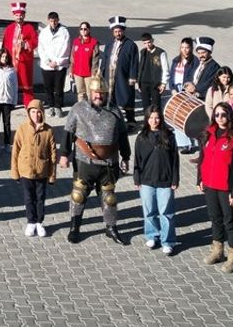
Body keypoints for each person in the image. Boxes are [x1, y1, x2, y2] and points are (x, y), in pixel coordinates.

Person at [60, 77, 129, 245]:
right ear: (90, 93)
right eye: (96, 92)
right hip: (85, 161)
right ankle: (74, 228)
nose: (99, 96)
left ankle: (111, 228)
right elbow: (68, 132)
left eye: (102, 93)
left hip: (109, 163)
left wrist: (125, 156)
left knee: (109, 198)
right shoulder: (78, 109)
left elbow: (122, 136)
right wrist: (64, 154)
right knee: (78, 195)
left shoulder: (115, 111)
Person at [197, 104, 233, 273]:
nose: (220, 118)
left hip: (226, 187)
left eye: (223, 115)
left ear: (229, 116)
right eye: (217, 114)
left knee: (229, 221)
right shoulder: (208, 133)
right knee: (215, 218)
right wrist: (200, 179)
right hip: (210, 185)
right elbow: (202, 157)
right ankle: (218, 250)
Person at [133, 108, 179, 255]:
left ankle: (168, 241)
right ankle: (152, 235)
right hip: (146, 180)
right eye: (151, 118)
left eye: (157, 118)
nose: (154, 121)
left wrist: (175, 179)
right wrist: (136, 178)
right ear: (147, 119)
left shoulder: (169, 136)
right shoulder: (141, 137)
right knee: (149, 212)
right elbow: (137, 160)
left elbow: (175, 159)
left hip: (165, 180)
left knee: (166, 213)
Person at [10, 99, 56, 237]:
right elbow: (15, 150)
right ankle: (31, 221)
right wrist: (15, 172)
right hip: (26, 170)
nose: (36, 115)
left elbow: (53, 153)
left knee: (40, 197)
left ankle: (39, 222)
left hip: (42, 170)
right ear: (29, 113)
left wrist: (52, 175)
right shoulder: (22, 128)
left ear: (42, 113)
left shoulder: (48, 131)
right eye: (33, 112)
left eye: (38, 112)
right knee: (29, 197)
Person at [100, 16, 139, 126]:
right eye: (115, 31)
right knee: (110, 98)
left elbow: (134, 62)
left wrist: (133, 76)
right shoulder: (109, 45)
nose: (118, 33)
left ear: (123, 31)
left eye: (119, 31)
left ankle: (131, 121)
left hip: (123, 75)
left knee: (126, 97)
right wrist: (102, 73)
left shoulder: (131, 45)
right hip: (109, 75)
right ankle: (113, 120)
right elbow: (105, 59)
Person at [2, 1, 38, 106]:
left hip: (24, 61)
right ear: (14, 16)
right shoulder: (9, 28)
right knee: (11, 81)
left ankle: (29, 102)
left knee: (26, 82)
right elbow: (4, 44)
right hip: (11, 61)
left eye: (21, 15)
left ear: (24, 15)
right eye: (17, 15)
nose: (19, 17)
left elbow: (35, 41)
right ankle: (11, 101)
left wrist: (26, 44)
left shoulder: (30, 28)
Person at [37, 11, 71, 119]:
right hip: (47, 65)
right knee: (48, 87)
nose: (53, 23)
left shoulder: (64, 32)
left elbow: (66, 48)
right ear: (48, 21)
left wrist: (56, 61)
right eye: (51, 21)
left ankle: (58, 106)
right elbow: (41, 48)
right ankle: (51, 105)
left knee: (59, 87)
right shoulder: (44, 32)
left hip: (59, 64)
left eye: (55, 21)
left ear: (58, 20)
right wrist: (48, 61)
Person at [167, 37, 198, 152]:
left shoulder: (195, 62)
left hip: (187, 91)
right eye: (182, 47)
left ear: (191, 48)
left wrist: (188, 89)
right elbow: (171, 77)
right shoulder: (176, 60)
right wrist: (172, 89)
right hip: (176, 90)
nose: (184, 50)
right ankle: (181, 142)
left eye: (187, 47)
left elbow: (194, 78)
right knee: (177, 115)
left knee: (187, 116)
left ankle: (190, 143)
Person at [136, 33, 169, 117]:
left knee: (156, 106)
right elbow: (140, 67)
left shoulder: (160, 52)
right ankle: (147, 123)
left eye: (149, 42)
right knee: (145, 105)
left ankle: (158, 124)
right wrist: (138, 81)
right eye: (145, 43)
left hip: (155, 84)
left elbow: (165, 69)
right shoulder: (142, 52)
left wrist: (164, 83)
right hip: (144, 83)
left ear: (152, 41)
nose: (147, 45)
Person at [70, 22, 100, 106]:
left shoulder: (94, 42)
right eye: (81, 29)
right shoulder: (76, 41)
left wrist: (94, 73)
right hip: (77, 73)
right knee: (80, 93)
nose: (83, 31)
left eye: (85, 29)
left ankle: (92, 109)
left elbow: (95, 60)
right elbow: (72, 58)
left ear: (89, 30)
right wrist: (71, 70)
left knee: (90, 93)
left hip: (89, 74)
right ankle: (81, 111)